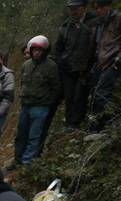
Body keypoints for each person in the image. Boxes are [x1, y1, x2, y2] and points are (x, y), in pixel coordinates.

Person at [14, 35, 60, 166]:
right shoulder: (26, 65)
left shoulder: (51, 66)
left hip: (40, 107)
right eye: (34, 50)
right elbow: (22, 83)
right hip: (26, 105)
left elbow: (56, 88)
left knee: (34, 136)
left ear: (45, 51)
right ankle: (17, 159)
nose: (36, 53)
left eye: (39, 50)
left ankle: (27, 162)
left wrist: (47, 102)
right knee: (21, 134)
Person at [55, 0, 98, 130]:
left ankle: (75, 124)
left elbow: (96, 45)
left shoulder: (93, 23)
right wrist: (62, 61)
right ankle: (69, 124)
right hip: (68, 69)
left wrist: (89, 64)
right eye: (71, 8)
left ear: (83, 8)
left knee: (80, 96)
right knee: (69, 96)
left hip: (85, 68)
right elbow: (59, 47)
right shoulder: (66, 26)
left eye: (76, 8)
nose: (73, 11)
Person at [88, 0, 121, 129]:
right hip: (100, 63)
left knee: (102, 94)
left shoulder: (118, 18)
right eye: (96, 8)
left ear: (109, 6)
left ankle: (99, 128)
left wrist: (118, 60)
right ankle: (94, 127)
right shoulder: (101, 22)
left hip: (113, 63)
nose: (98, 10)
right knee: (94, 94)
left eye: (101, 7)